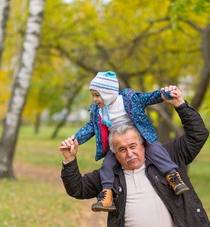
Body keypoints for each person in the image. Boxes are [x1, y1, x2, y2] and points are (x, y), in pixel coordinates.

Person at [59, 86, 210, 227]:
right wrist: (69, 160)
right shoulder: (109, 173)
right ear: (113, 153)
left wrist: (180, 105)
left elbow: (197, 136)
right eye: (121, 149)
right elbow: (77, 189)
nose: (130, 154)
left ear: (143, 143)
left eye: (133, 146)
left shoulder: (168, 155)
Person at [59, 71, 189, 213]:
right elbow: (90, 127)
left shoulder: (129, 99)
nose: (95, 100)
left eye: (97, 95)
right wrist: (74, 139)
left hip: (141, 139)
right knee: (107, 165)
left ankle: (173, 177)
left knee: (157, 151)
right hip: (117, 144)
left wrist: (166, 94)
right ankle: (107, 194)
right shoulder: (99, 110)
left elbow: (148, 98)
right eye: (93, 96)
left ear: (108, 93)